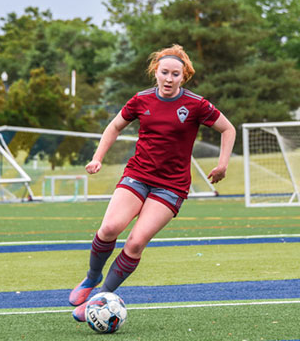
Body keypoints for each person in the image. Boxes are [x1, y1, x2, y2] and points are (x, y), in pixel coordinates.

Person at [68, 44, 236, 322]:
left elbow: (228, 128)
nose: (169, 79)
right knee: (109, 228)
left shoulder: (196, 104)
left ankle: (99, 299)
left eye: (175, 75)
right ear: (155, 72)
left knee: (134, 244)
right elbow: (114, 127)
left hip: (171, 187)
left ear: (184, 77)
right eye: (164, 73)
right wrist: (98, 158)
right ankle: (91, 278)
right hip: (137, 175)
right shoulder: (141, 100)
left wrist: (222, 164)